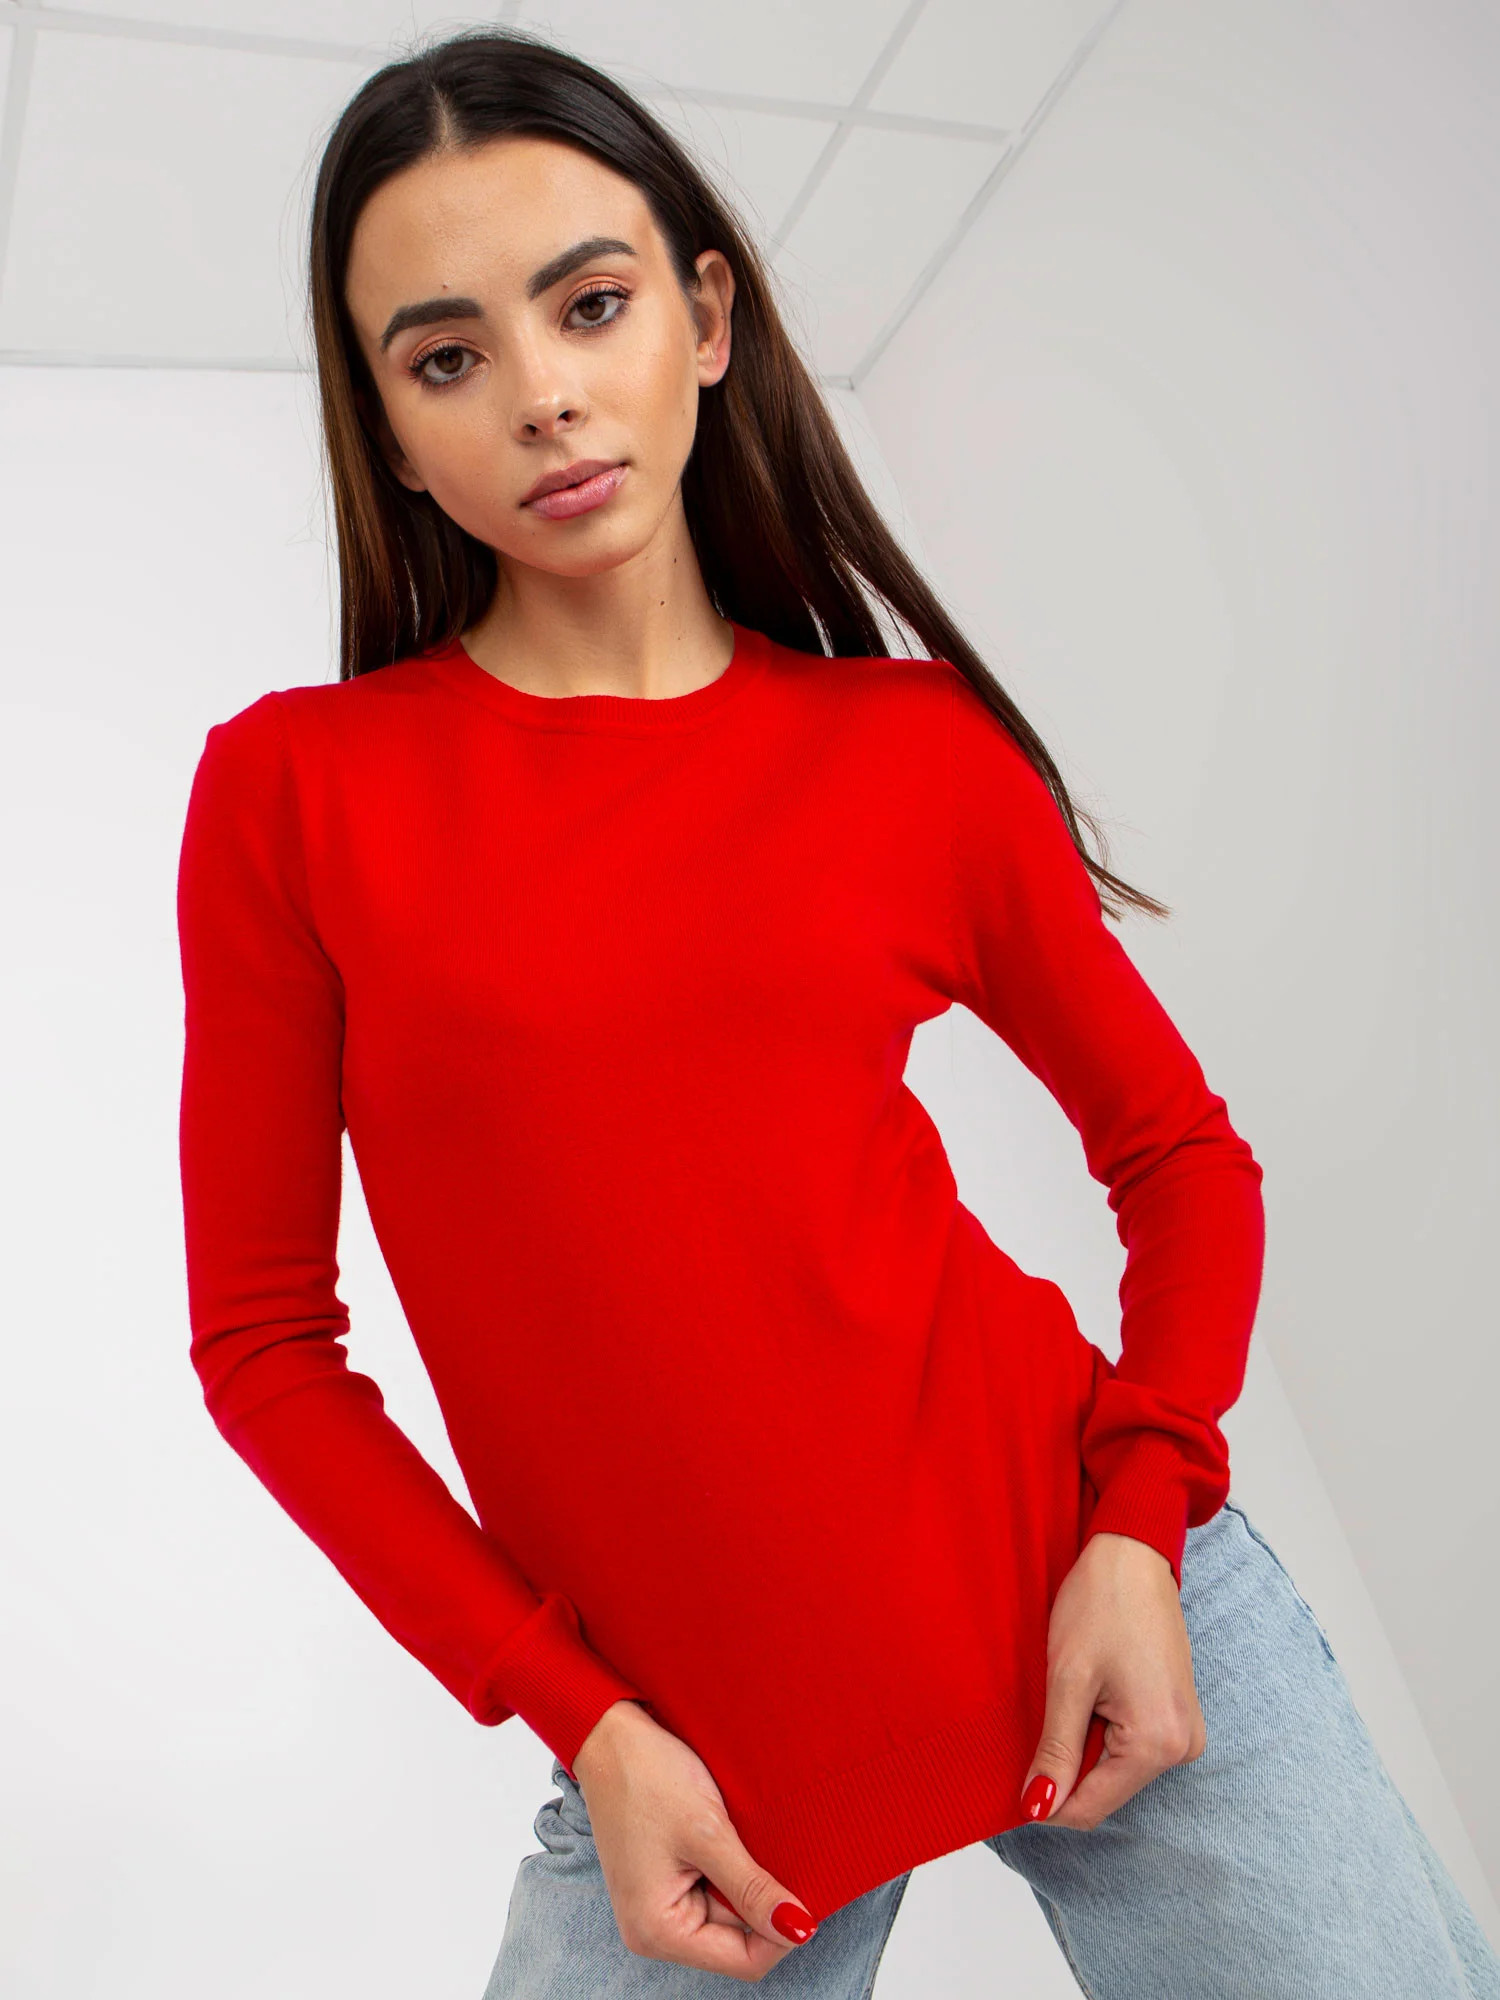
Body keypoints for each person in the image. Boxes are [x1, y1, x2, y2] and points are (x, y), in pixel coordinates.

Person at [173, 25, 1500, 1998]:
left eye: (591, 305)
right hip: (690, 1759)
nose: (542, 394)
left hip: (1096, 1590)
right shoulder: (295, 796)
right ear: (388, 431)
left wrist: (1142, 1522)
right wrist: (584, 1721)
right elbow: (269, 1350)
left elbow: (1178, 1156)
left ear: (704, 320)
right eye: (447, 358)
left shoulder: (908, 753)